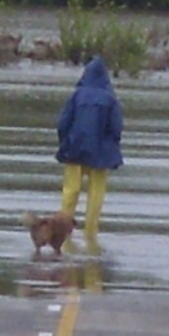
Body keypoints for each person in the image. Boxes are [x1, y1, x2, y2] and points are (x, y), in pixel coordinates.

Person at [55, 56, 123, 247]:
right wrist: (112, 147)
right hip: (101, 154)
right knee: (96, 193)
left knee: (71, 191)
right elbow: (116, 127)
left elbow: (62, 123)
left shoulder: (77, 95)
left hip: (74, 149)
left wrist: (64, 143)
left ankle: (64, 228)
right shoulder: (110, 99)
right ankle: (91, 232)